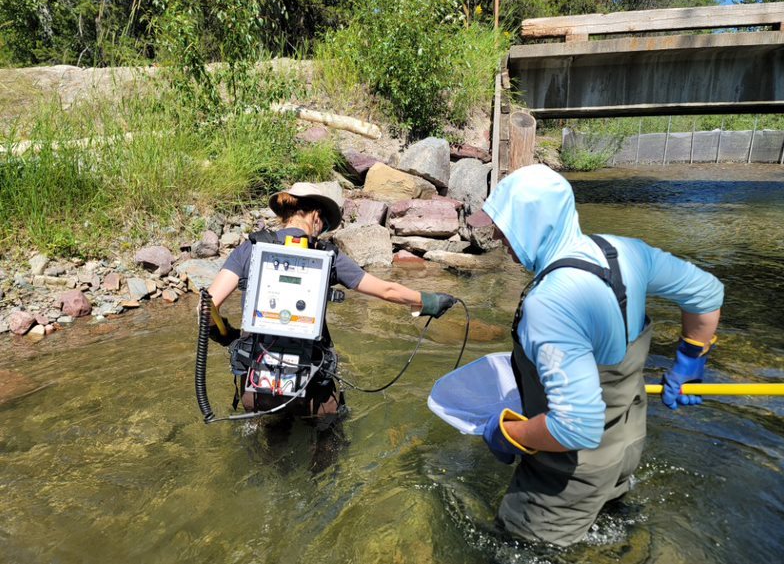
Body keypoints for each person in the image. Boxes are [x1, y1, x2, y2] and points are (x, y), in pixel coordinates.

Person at [477, 164, 723, 546]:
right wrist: (691, 360)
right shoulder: (625, 251)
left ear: (533, 222)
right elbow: (707, 294)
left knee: (510, 548)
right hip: (627, 446)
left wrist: (507, 432)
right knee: (613, 539)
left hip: (567, 476)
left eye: (504, 224)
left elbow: (575, 427)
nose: (496, 235)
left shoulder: (551, 303)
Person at [205, 182, 456, 426]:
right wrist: (427, 301)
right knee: (331, 438)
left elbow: (205, 308)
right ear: (315, 215)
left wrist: (227, 335)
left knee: (272, 441)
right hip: (313, 389)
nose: (321, 231)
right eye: (323, 225)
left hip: (257, 389)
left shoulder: (250, 249)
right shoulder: (327, 255)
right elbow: (386, 290)